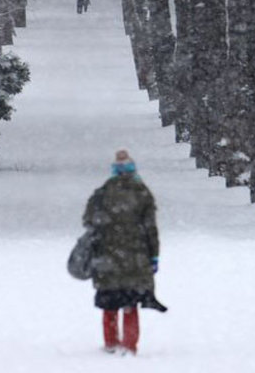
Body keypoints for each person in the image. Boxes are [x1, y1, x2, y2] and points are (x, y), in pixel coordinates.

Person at [82, 150, 162, 355]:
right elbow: (151, 229)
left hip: (107, 257)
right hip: (135, 259)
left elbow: (88, 221)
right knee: (130, 304)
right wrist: (154, 255)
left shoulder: (102, 193)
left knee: (109, 304)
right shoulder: (142, 193)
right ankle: (129, 345)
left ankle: (111, 343)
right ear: (133, 170)